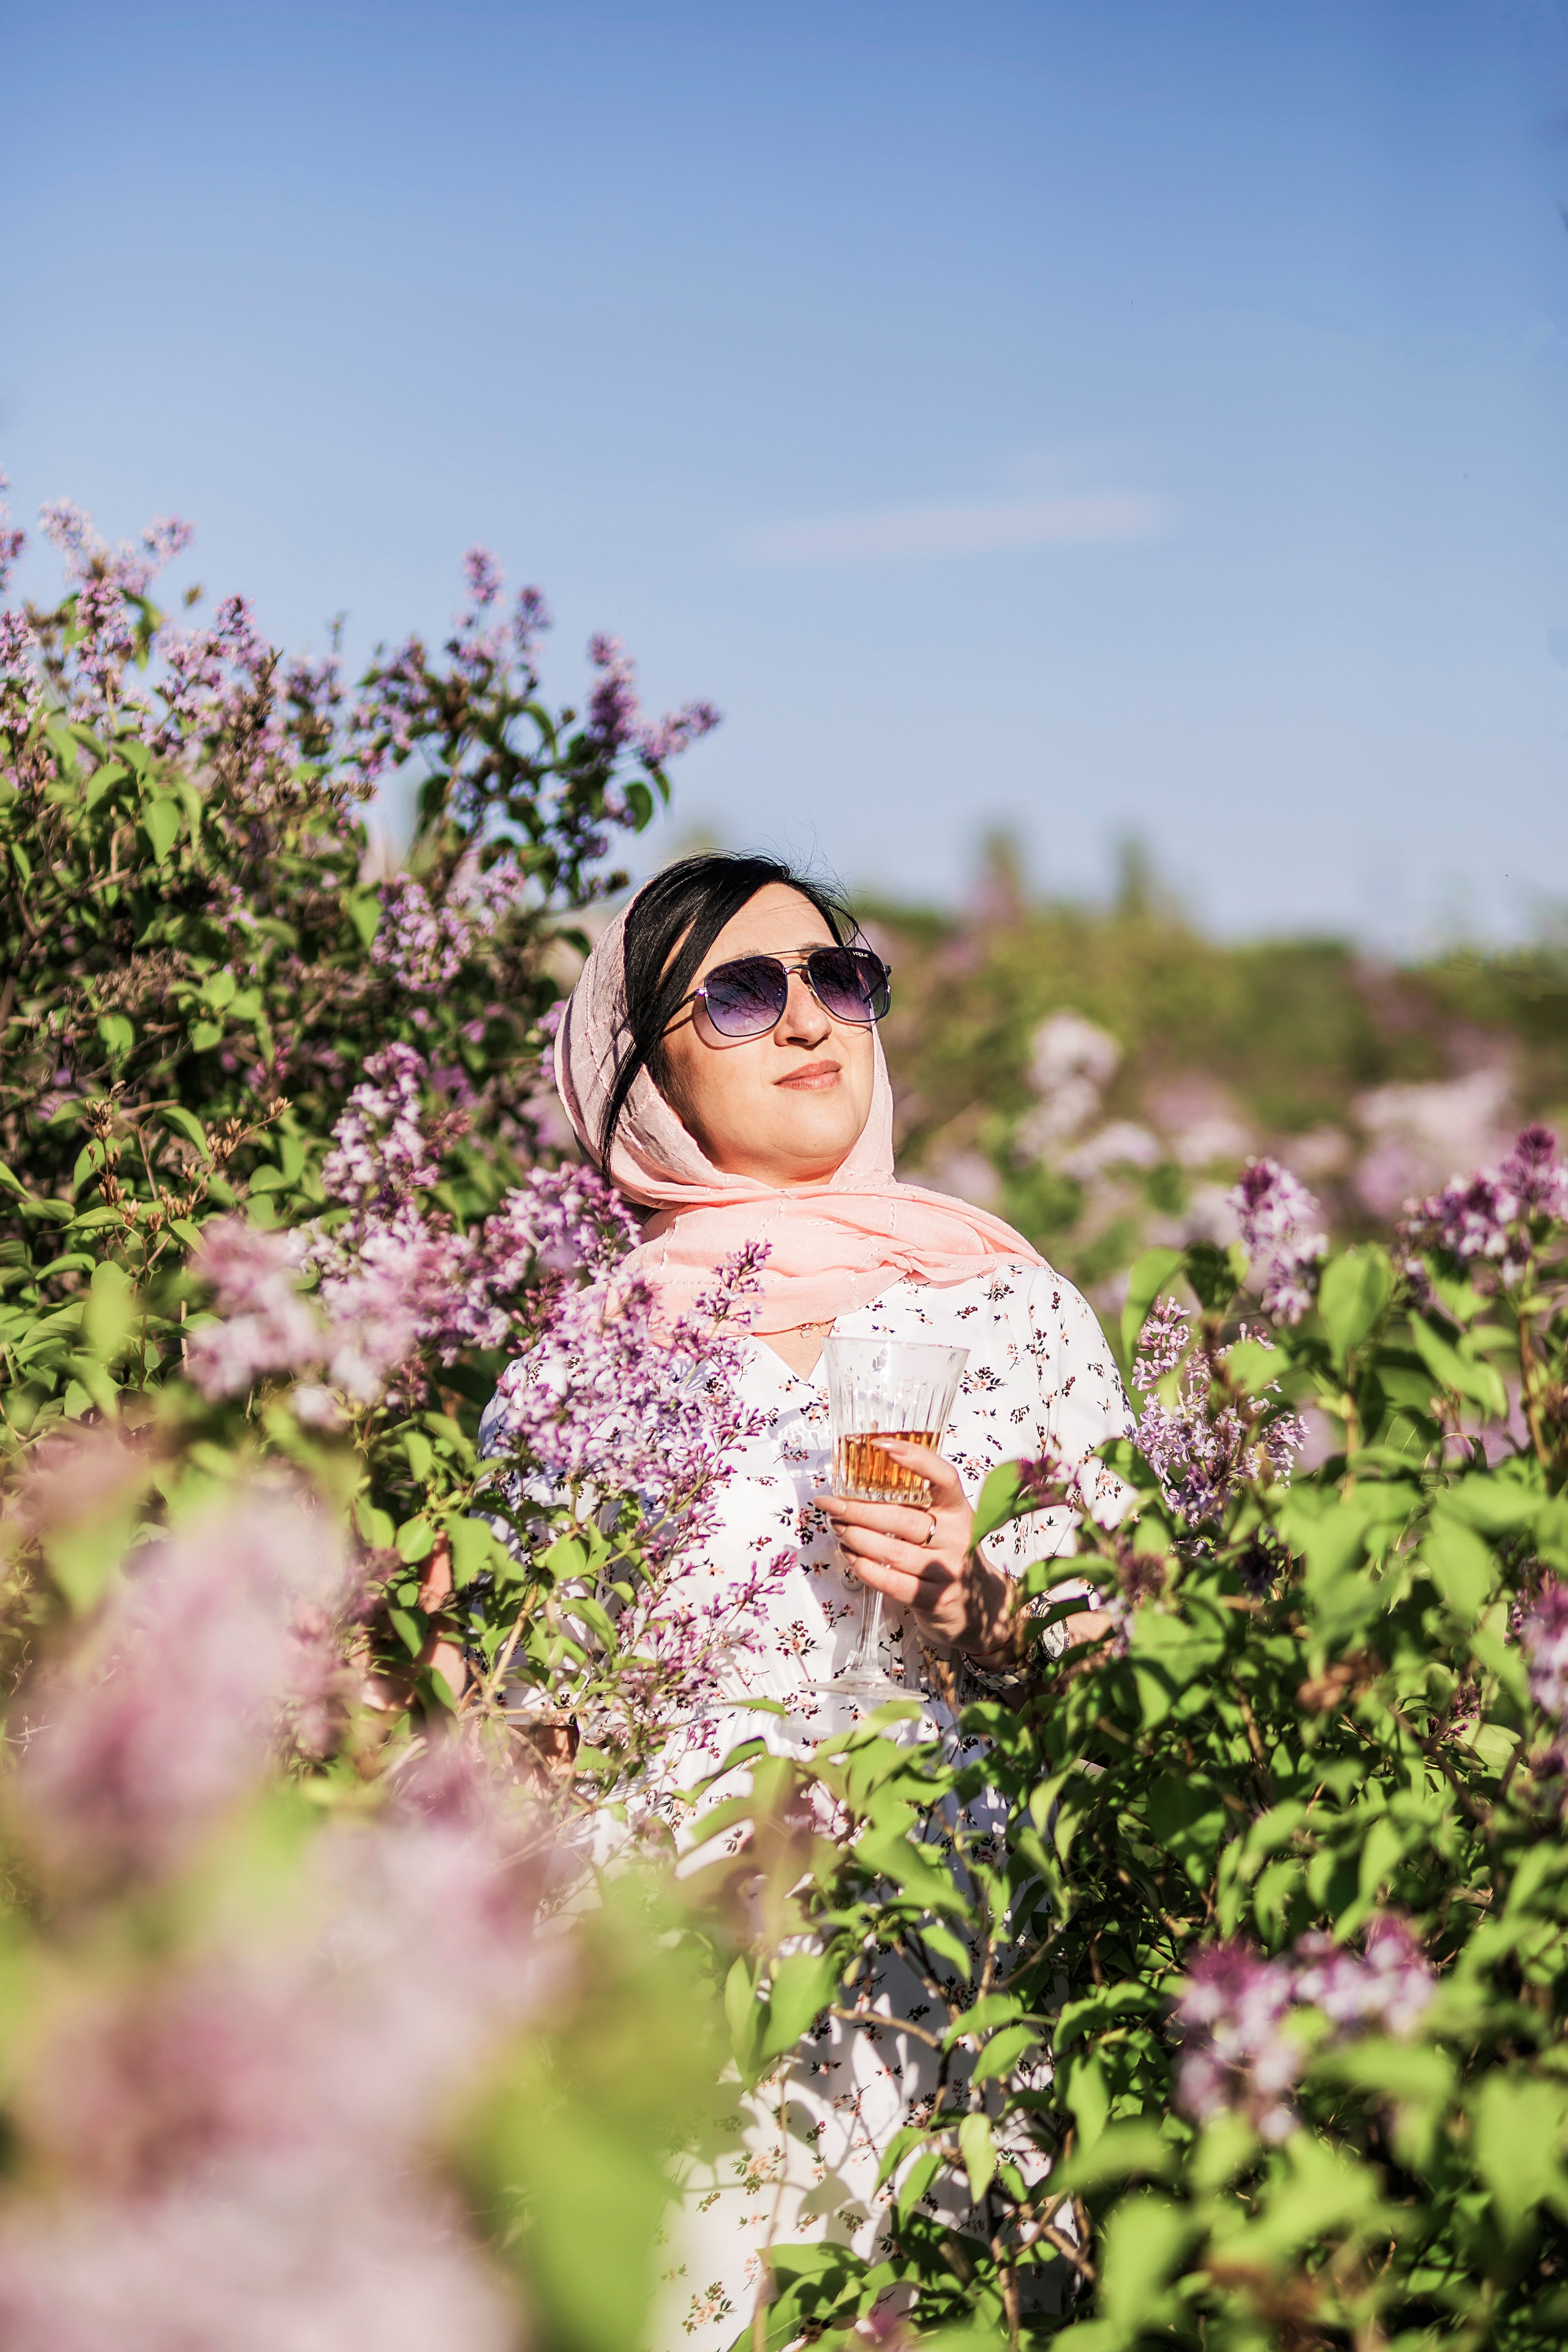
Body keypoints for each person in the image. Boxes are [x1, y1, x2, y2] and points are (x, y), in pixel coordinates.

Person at [505, 853, 1131, 2347]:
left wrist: (987, 1611)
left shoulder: (1004, 1302)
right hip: (666, 2015)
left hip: (945, 2000)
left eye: (836, 980)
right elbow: (541, 1734)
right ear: (636, 1074)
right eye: (739, 992)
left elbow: (1124, 1687)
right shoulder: (577, 1365)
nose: (807, 1022)